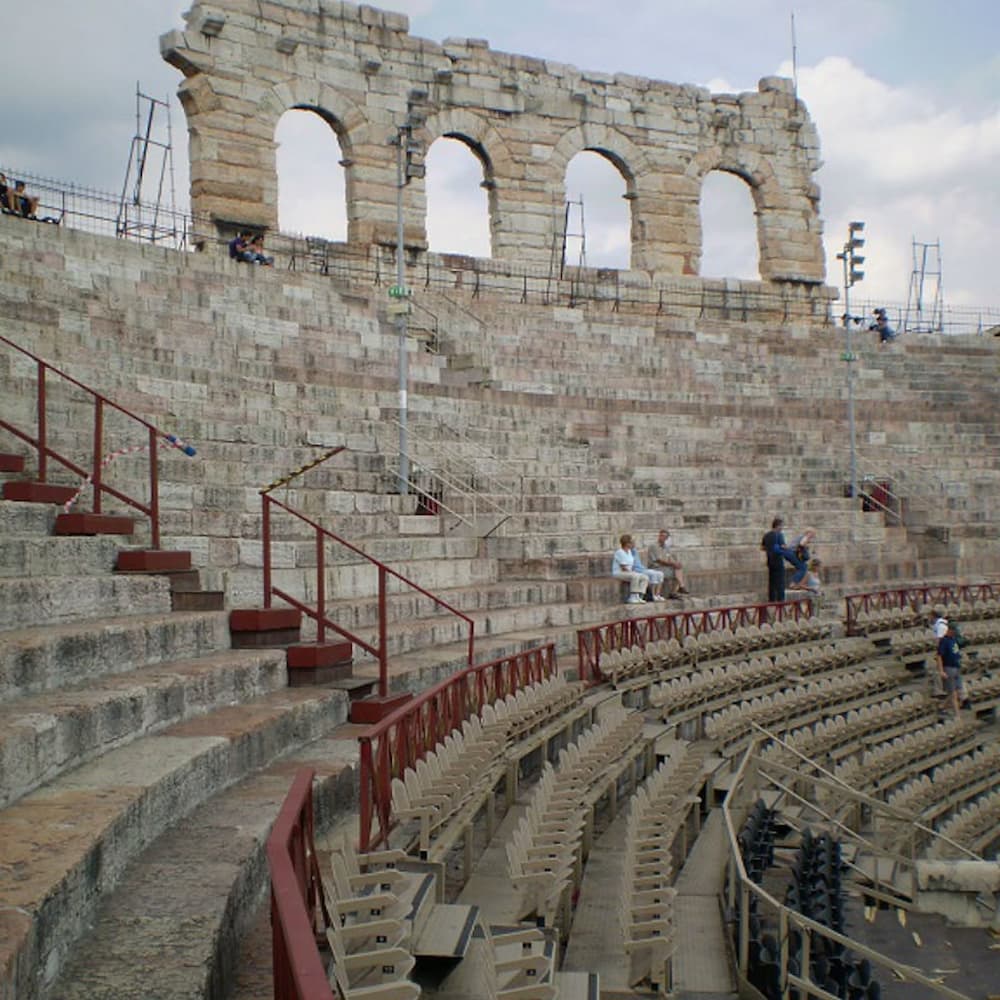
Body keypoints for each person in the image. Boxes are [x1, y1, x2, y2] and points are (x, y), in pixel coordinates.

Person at [936, 623, 969, 716]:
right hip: (948, 668)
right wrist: (941, 671)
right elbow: (939, 656)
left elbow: (956, 651)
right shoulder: (944, 641)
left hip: (956, 667)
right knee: (953, 693)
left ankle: (942, 707)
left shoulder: (953, 639)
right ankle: (957, 716)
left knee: (957, 690)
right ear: (950, 630)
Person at [647, 529, 689, 597]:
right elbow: (658, 560)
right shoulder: (653, 546)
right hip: (655, 567)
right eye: (661, 536)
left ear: (667, 538)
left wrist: (676, 563)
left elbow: (670, 557)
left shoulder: (666, 547)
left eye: (665, 536)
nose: (662, 538)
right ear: (659, 536)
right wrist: (673, 564)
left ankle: (678, 589)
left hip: (665, 567)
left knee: (679, 569)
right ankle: (677, 589)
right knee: (677, 571)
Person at [612, 533, 649, 605]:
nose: (632, 544)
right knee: (635, 576)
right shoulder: (619, 552)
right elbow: (623, 567)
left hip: (628, 572)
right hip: (619, 572)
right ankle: (632, 596)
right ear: (627, 543)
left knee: (645, 577)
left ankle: (639, 596)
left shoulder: (629, 552)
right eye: (631, 542)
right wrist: (632, 572)